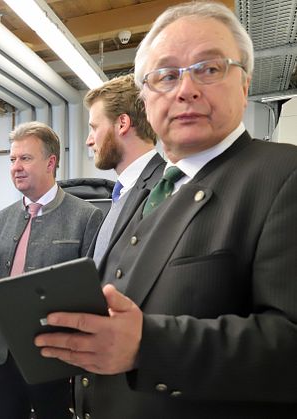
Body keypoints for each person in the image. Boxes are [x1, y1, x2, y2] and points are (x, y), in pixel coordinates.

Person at [34, 2, 297, 418]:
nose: (185, 89)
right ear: (145, 98)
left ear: (245, 84)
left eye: (209, 69)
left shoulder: (284, 176)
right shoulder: (145, 188)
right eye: (166, 75)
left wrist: (148, 344)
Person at [0, 121, 103, 419]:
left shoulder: (85, 216)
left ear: (51, 162)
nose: (16, 167)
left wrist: (81, 358)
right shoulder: (3, 218)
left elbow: (90, 294)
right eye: (12, 159)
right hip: (4, 354)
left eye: (25, 158)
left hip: (56, 356)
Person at [84, 74, 165, 265]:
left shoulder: (163, 190)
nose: (89, 140)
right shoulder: (121, 193)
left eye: (94, 128)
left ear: (122, 124)